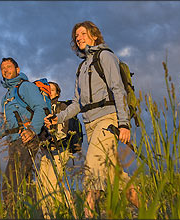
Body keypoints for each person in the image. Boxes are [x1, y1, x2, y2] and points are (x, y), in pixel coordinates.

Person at [44, 21, 138, 217]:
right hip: (90, 125)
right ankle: (148, 210)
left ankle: (87, 214)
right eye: (76, 36)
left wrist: (124, 124)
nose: (79, 38)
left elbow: (118, 90)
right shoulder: (81, 68)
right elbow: (77, 104)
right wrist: (58, 118)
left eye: (83, 33)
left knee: (92, 167)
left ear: (94, 35)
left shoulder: (106, 56)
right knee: (114, 177)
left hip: (108, 119)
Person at [0, 57, 48, 211]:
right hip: (14, 143)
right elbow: (7, 125)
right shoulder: (6, 98)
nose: (5, 70)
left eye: (9, 67)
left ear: (17, 69)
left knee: (9, 188)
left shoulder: (26, 87)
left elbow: (40, 108)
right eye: (2, 68)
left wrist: (32, 130)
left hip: (27, 140)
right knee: (26, 187)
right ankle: (35, 214)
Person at [38, 82, 79, 218]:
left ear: (57, 93)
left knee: (53, 183)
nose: (48, 91)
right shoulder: (42, 108)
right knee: (42, 185)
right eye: (46, 88)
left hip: (60, 149)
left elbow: (64, 130)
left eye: (52, 89)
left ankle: (66, 211)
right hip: (46, 151)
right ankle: (49, 214)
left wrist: (52, 136)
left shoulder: (62, 107)